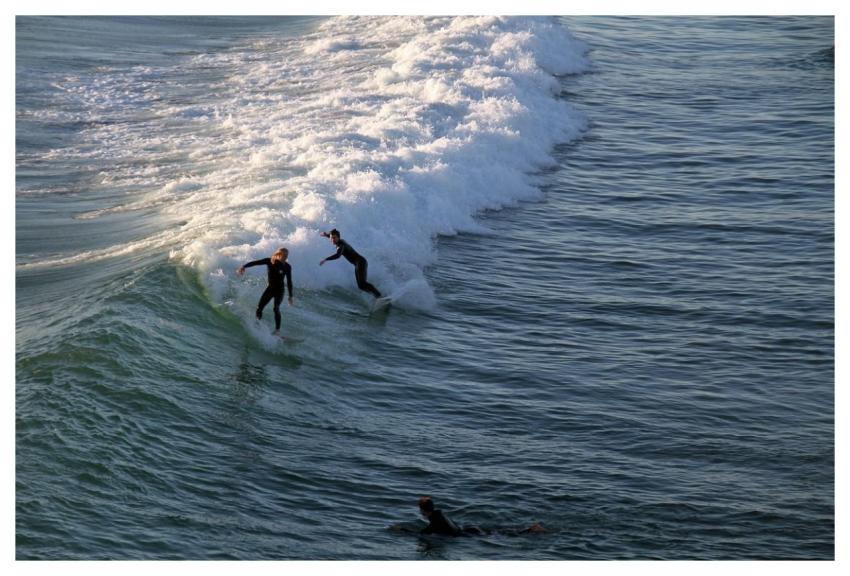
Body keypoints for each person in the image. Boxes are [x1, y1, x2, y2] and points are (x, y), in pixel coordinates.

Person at [390, 496, 546, 537]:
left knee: (505, 536)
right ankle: (529, 529)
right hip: (469, 529)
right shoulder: (440, 514)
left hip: (467, 535)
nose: (420, 513)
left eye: (420, 510)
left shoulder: (434, 522)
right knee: (501, 532)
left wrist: (401, 529)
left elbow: (420, 534)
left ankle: (530, 530)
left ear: (424, 511)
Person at [237, 248, 293, 335]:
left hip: (280, 290)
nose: (286, 257)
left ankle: (277, 331)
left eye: (287, 255)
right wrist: (244, 266)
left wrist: (290, 296)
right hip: (270, 289)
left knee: (276, 308)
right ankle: (257, 324)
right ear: (279, 254)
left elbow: (289, 281)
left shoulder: (287, 267)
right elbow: (256, 262)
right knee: (259, 308)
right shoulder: (269, 261)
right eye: (284, 255)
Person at [319, 229, 382, 299]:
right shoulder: (339, 241)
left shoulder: (341, 246)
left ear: (338, 238)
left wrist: (326, 259)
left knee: (363, 283)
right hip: (359, 263)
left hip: (360, 262)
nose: (332, 239)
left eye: (334, 238)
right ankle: (377, 296)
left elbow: (338, 255)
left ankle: (379, 296)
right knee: (361, 286)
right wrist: (326, 234)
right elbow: (331, 236)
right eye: (331, 238)